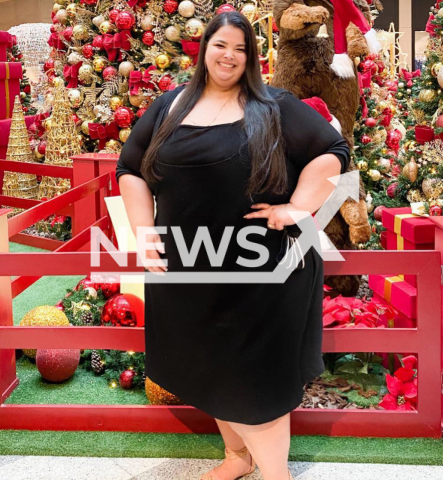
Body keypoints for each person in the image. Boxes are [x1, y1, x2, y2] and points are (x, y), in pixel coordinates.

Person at [115, 11, 350, 480]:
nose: (230, 56)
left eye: (241, 49)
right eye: (222, 45)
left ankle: (276, 474)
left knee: (254, 381)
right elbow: (130, 171)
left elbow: (333, 153)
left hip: (263, 272)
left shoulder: (274, 105)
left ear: (252, 58)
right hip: (190, 271)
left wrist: (296, 209)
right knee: (212, 368)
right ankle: (237, 459)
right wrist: (144, 234)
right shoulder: (169, 107)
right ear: (204, 48)